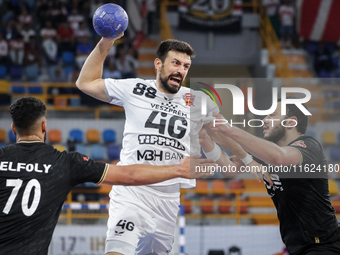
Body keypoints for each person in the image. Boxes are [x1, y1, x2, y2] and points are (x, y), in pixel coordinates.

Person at [76, 34, 248, 254]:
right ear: (158, 64)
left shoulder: (198, 99)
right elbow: (85, 83)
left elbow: (223, 133)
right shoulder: (135, 88)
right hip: (132, 193)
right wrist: (106, 42)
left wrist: (247, 159)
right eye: (175, 63)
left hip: (168, 199)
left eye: (186, 66)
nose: (181, 71)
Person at [0, 96, 214, 255]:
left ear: (13, 129)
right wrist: (179, 169)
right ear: (45, 126)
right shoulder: (66, 162)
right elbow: (129, 176)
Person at [210, 100, 340, 255]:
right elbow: (229, 169)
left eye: (272, 115)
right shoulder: (265, 155)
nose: (264, 119)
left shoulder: (309, 146)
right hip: (298, 248)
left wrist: (229, 129)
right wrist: (205, 134)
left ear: (291, 122)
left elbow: (278, 157)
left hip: (324, 244)